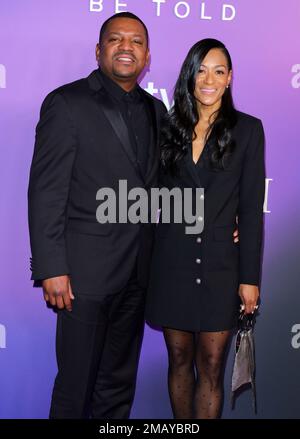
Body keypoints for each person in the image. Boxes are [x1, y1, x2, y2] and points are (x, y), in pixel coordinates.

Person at [28, 12, 167, 419]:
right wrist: (52, 266)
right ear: (99, 49)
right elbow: (46, 190)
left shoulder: (157, 111)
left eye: (137, 41)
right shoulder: (67, 102)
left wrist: (223, 220)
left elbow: (172, 186)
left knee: (118, 389)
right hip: (82, 280)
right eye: (116, 39)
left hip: (137, 276)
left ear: (147, 56)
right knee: (75, 390)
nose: (127, 47)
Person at [146, 38, 265, 419]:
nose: (208, 79)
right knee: (179, 360)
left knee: (211, 367)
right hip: (173, 262)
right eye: (200, 70)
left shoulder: (247, 130)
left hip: (220, 266)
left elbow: (249, 209)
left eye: (218, 70)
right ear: (189, 76)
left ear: (229, 78)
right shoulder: (167, 127)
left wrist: (249, 278)